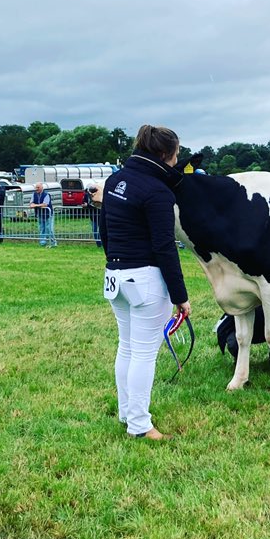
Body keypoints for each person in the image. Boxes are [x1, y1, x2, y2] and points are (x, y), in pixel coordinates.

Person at [99, 124, 191, 441]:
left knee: (127, 347)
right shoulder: (157, 192)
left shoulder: (115, 180)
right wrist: (181, 296)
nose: (177, 161)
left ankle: (128, 412)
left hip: (116, 274)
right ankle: (139, 424)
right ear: (165, 154)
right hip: (146, 278)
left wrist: (114, 262)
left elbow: (105, 232)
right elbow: (165, 246)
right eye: (176, 155)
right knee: (143, 354)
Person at [30, 182, 57, 247]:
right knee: (41, 229)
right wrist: (37, 205)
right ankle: (42, 242)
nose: (36, 189)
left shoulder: (46, 194)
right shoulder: (34, 194)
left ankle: (53, 242)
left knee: (49, 229)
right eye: (36, 187)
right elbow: (31, 204)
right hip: (40, 215)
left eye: (38, 187)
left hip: (48, 215)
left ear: (42, 188)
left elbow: (45, 204)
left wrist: (36, 205)